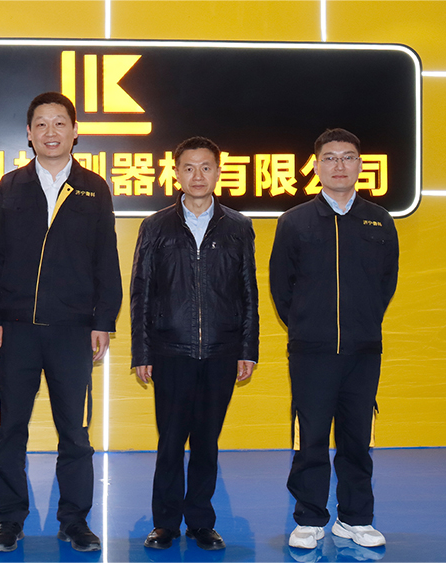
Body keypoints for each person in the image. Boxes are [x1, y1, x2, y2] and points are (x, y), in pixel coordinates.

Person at [0, 92, 123, 552]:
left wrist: (103, 320)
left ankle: (74, 520)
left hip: (73, 330)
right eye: (41, 124)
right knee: (9, 430)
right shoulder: (10, 186)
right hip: (17, 329)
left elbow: (106, 259)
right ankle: (10, 519)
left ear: (75, 131)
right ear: (29, 133)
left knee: (75, 433)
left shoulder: (93, 188)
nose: (50, 132)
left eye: (59, 123)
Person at [269, 128, 399, 550]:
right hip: (313, 352)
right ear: (317, 166)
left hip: (364, 351)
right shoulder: (295, 221)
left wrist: (364, 322)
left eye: (347, 157)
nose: (339, 165)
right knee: (310, 439)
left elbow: (386, 283)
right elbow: (281, 287)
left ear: (360, 165)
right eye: (329, 158)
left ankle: (355, 518)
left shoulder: (379, 220)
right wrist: (308, 326)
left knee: (357, 438)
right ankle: (309, 518)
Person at [130, 136, 259, 551]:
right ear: (176, 173)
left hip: (221, 350)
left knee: (206, 441)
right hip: (171, 350)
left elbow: (248, 291)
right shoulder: (156, 226)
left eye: (205, 167)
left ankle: (201, 521)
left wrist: (247, 349)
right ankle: (165, 523)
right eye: (189, 168)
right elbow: (141, 292)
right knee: (170, 441)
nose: (197, 175)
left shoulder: (238, 226)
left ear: (218, 172)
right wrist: (142, 352)